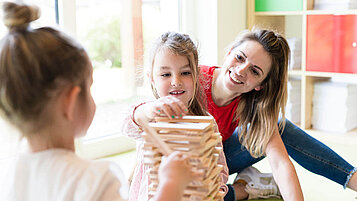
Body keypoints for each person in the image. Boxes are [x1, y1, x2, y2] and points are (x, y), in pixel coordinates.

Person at [0, 2, 201, 201]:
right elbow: (130, 122)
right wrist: (172, 184)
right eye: (89, 88)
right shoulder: (97, 180)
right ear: (70, 101)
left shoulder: (9, 175)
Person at [200, 28, 357, 201]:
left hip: (215, 162)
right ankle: (244, 188)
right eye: (239, 57)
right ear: (229, 53)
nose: (241, 70)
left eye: (255, 71)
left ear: (260, 85)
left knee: (277, 126)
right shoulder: (191, 80)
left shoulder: (251, 104)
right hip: (179, 166)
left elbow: (280, 164)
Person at [122, 31, 229, 201]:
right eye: (165, 74)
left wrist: (217, 189)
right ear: (151, 79)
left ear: (196, 77)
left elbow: (219, 168)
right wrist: (151, 110)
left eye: (185, 73)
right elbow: (128, 124)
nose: (176, 81)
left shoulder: (205, 121)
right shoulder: (149, 116)